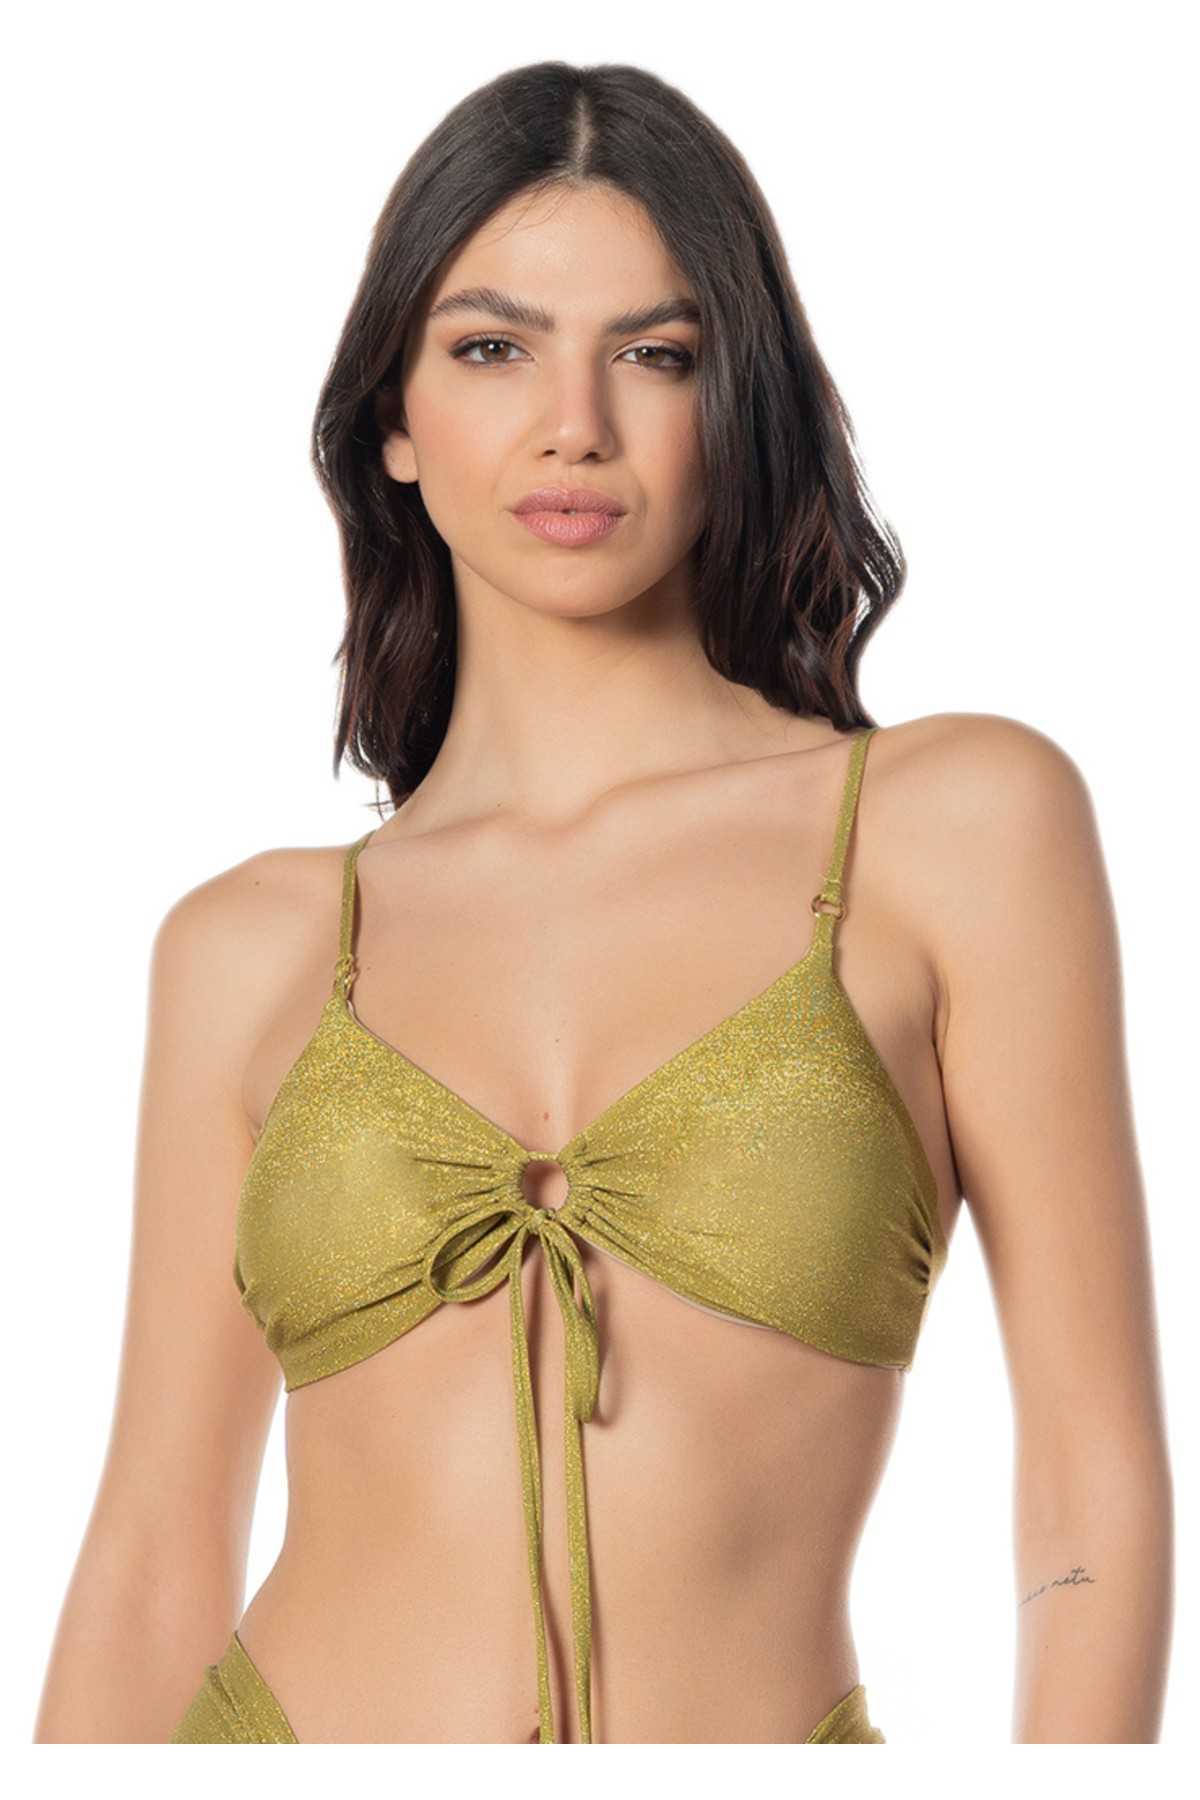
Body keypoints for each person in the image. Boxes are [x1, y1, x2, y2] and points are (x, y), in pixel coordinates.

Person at [34, 60, 1171, 1745]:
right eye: (493, 350)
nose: (575, 423)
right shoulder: (249, 946)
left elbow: (1090, 1483)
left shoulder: (953, 829)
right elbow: (147, 1557)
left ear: (740, 405)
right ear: (394, 422)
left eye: (657, 354)